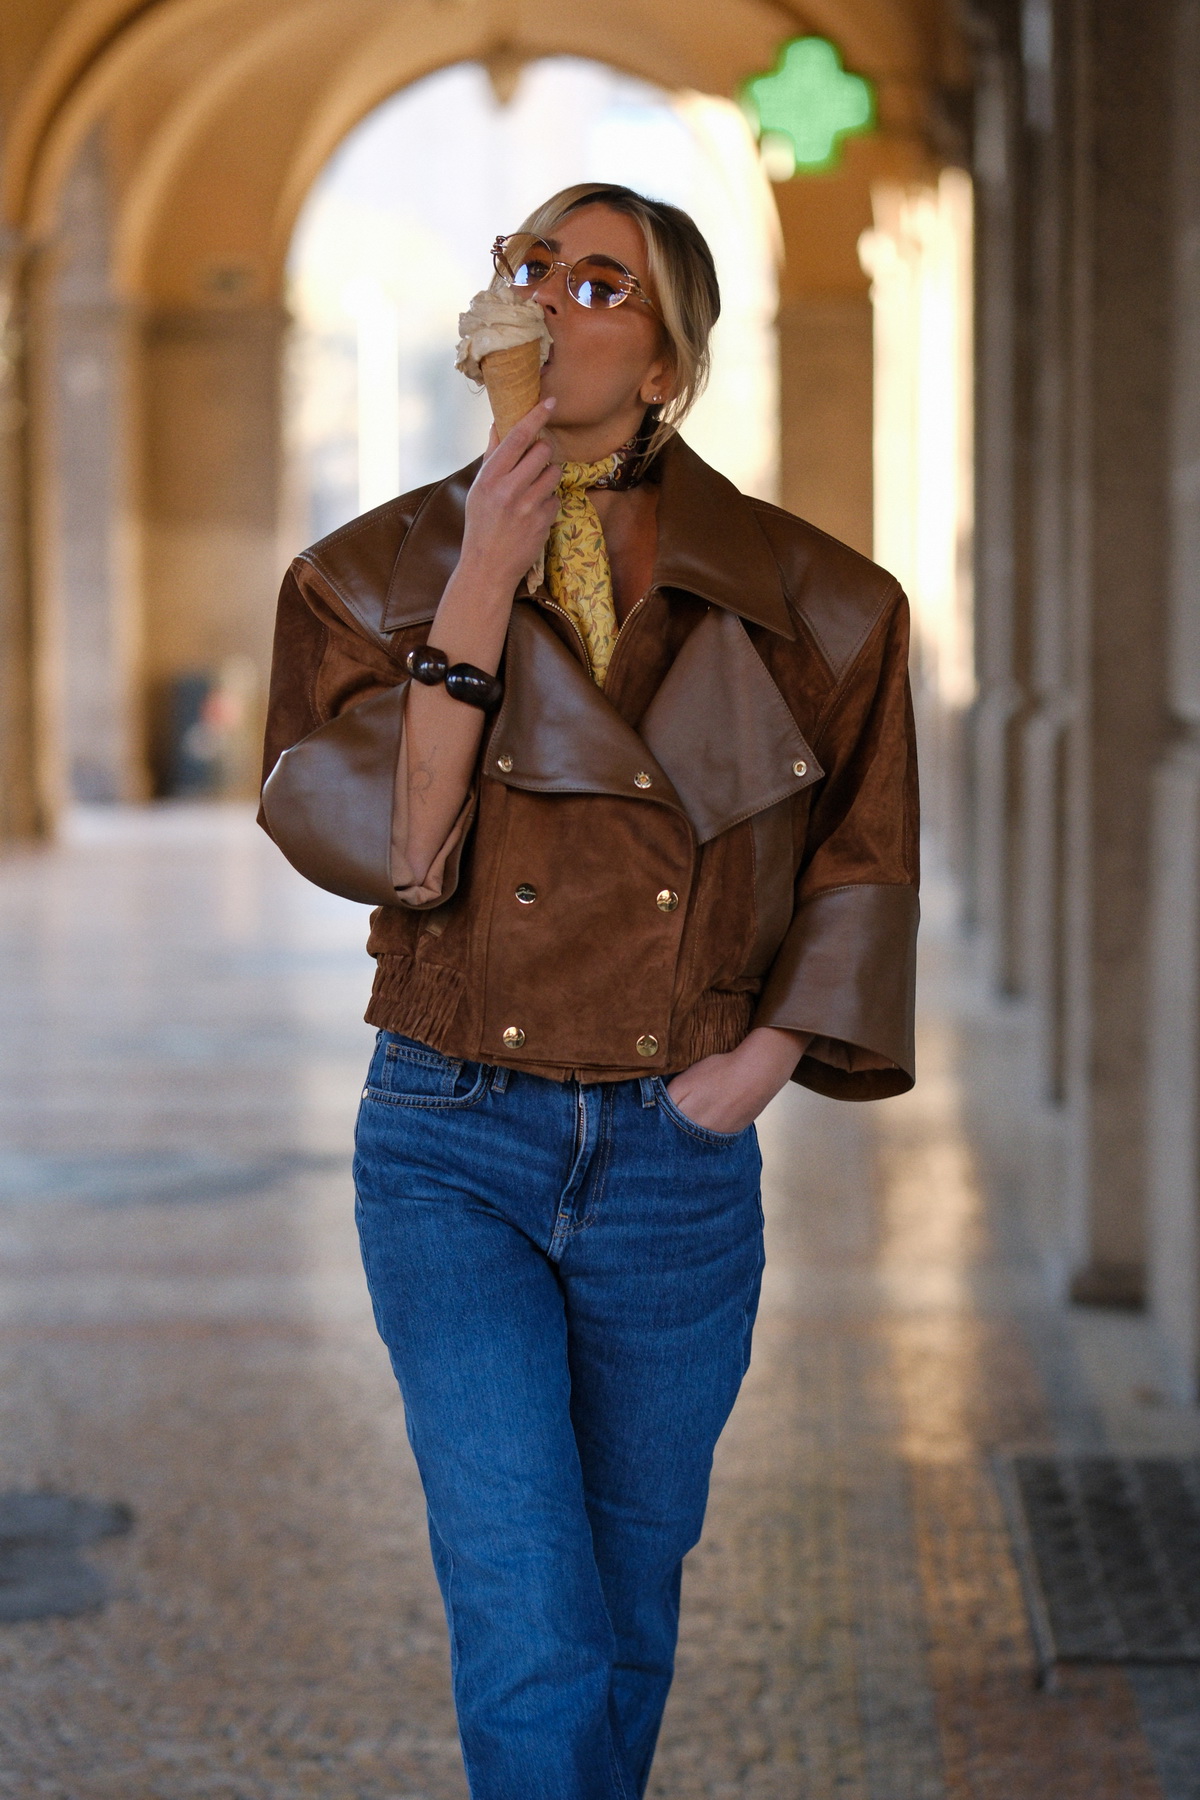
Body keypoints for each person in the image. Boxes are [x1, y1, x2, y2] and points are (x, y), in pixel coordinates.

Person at [259, 182, 918, 1800]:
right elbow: (402, 855)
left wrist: (753, 1066)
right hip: (450, 1138)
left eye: (601, 281)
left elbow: (864, 856)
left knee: (622, 1606)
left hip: (672, 1163)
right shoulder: (364, 577)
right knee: (529, 1607)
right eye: (529, 263)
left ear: (669, 362)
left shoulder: (825, 602)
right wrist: (481, 572)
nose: (550, 295)